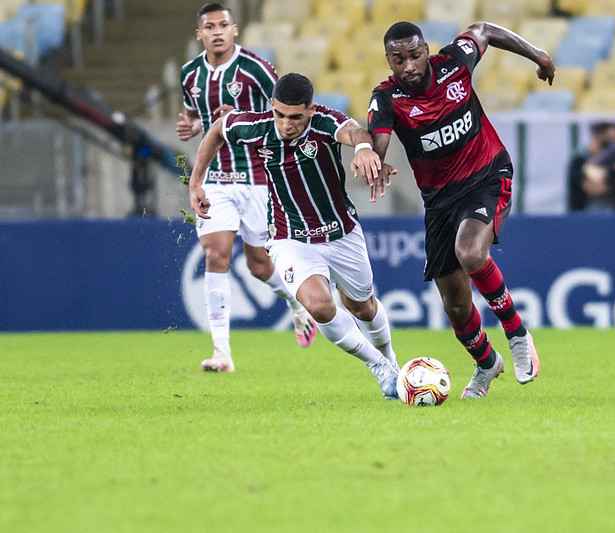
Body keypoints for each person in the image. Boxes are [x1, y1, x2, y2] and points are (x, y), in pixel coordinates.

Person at [365, 21, 554, 399]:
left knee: (470, 252)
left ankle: (517, 333)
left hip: (487, 174)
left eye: (415, 55)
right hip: (439, 202)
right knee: (455, 304)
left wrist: (537, 54)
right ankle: (487, 364)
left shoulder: (455, 62)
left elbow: (483, 30)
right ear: (388, 60)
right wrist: (372, 155)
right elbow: (379, 137)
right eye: (398, 59)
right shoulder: (387, 98)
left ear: (426, 51)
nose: (408, 67)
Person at [189, 73, 400, 398]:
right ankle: (379, 367)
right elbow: (218, 129)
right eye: (280, 115)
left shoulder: (325, 123)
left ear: (311, 110)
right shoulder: (255, 126)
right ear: (272, 108)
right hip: (290, 238)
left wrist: (362, 148)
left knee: (364, 309)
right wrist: (196, 182)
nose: (286, 124)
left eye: (295, 117)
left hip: (340, 233)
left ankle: (391, 360)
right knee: (318, 306)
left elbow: (355, 130)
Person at [177, 3, 316, 373]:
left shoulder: (255, 69)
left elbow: (285, 110)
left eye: (224, 25)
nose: (217, 31)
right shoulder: (190, 74)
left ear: (235, 30)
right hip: (216, 180)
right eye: (210, 26)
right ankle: (221, 351)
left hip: (257, 179)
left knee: (258, 264)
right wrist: (192, 125)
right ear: (199, 34)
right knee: (216, 253)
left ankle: (296, 304)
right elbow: (194, 112)